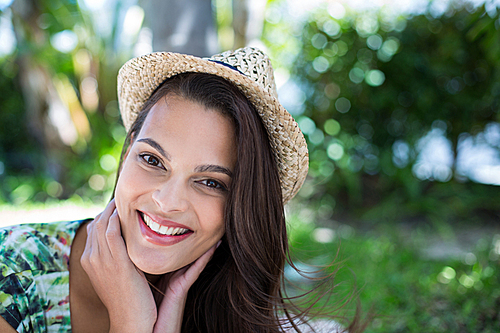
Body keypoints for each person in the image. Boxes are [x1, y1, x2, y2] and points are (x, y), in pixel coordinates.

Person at [0, 47, 362, 332]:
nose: (166, 202)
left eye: (210, 182)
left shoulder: (228, 302)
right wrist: (130, 326)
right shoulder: (13, 271)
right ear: (126, 154)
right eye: (153, 160)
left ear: (242, 205)